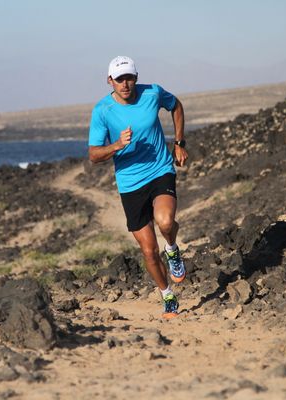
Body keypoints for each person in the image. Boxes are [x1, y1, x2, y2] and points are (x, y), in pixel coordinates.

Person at [88, 56, 188, 318]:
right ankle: (167, 295)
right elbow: (94, 155)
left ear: (136, 77)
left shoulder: (152, 93)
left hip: (160, 169)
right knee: (148, 251)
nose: (125, 84)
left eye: (129, 78)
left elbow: (176, 106)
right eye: (119, 79)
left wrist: (179, 142)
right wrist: (117, 146)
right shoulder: (102, 111)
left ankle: (173, 248)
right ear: (109, 80)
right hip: (130, 183)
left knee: (165, 222)